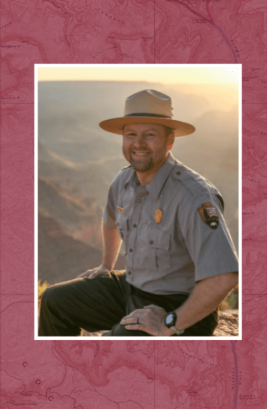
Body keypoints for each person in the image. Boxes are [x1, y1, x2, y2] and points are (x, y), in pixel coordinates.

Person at [39, 89, 239, 336]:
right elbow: (109, 220)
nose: (138, 144)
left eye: (150, 135)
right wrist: (105, 264)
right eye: (131, 134)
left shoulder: (193, 196)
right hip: (132, 288)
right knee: (54, 301)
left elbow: (225, 276)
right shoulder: (123, 181)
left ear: (170, 141)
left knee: (118, 340)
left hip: (178, 304)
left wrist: (170, 322)